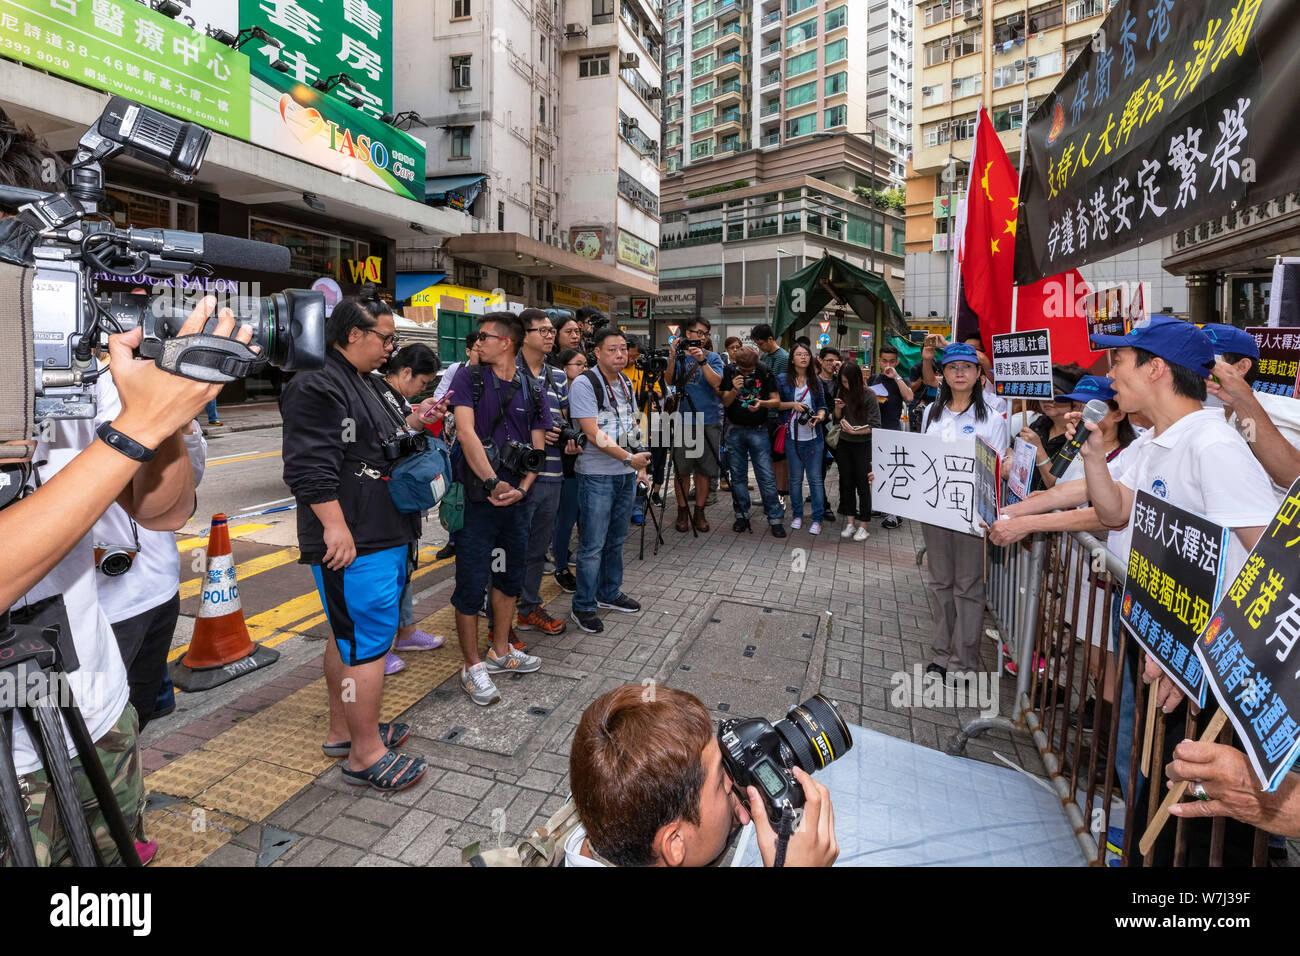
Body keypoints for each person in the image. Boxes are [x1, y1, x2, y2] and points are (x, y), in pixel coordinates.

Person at [1080, 315, 1280, 865]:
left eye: (1119, 360)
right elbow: (1114, 511)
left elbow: (1274, 563)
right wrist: (1095, 456)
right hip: (1171, 660)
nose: (1109, 372)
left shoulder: (1214, 444)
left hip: (1217, 672)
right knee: (1162, 805)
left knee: (1204, 827)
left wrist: (1198, 647)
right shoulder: (1154, 442)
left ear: (1157, 369)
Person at [280, 294, 428, 791]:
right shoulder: (318, 383)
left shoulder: (363, 380)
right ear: (352, 335)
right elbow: (308, 465)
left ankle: (345, 730)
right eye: (385, 338)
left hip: (379, 531)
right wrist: (335, 527)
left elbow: (376, 442)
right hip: (356, 539)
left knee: (348, 636)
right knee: (365, 644)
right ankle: (366, 754)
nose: (392, 347)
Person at [567, 684, 838, 867]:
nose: (733, 781)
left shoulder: (611, 801)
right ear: (675, 844)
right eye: (721, 779)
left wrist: (722, 826)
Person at [446, 312, 548, 705]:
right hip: (477, 500)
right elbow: (466, 432)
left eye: (484, 336)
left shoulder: (533, 388)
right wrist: (492, 481)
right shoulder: (468, 378)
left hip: (516, 504)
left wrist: (521, 489)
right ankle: (471, 666)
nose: (477, 342)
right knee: (470, 583)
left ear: (505, 342)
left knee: (508, 579)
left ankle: (500, 651)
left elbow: (538, 449)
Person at [920, 342, 1009, 680]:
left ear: (978, 374)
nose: (959, 373)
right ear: (942, 373)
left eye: (966, 367)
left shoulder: (992, 420)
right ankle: (941, 655)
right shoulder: (931, 412)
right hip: (934, 512)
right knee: (941, 583)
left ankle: (963, 662)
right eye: (952, 367)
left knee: (968, 587)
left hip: (972, 516)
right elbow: (919, 458)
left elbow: (995, 472)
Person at [568, 328, 649, 634]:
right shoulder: (585, 384)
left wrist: (638, 461)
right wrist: (629, 459)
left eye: (623, 349)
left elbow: (631, 423)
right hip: (597, 476)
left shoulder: (626, 382)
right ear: (597, 352)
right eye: (612, 349)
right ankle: (584, 605)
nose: (620, 354)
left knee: (616, 540)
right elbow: (592, 433)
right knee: (592, 545)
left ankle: (609, 592)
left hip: (625, 475)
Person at [374, 343, 448, 675]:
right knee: (385, 577)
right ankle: (377, 647)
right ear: (406, 373)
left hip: (402, 498)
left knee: (404, 568)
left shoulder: (395, 397)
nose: (423, 389)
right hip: (381, 501)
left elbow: (403, 430)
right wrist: (416, 421)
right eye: (422, 383)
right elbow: (383, 442)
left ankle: (404, 631)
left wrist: (419, 416)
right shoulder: (371, 395)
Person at [514, 308, 574, 636]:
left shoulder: (558, 376)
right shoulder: (506, 371)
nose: (551, 335)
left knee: (538, 548)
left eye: (552, 330)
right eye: (543, 330)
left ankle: (528, 608)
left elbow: (561, 418)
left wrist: (562, 434)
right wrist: (535, 433)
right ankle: (500, 615)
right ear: (524, 335)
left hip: (552, 474)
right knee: (510, 547)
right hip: (518, 477)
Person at [718, 346, 786, 536]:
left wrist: (761, 404)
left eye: (749, 370)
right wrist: (734, 388)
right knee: (738, 476)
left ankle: (775, 518)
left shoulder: (764, 370)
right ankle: (741, 515)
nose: (746, 372)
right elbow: (725, 401)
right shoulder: (730, 370)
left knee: (766, 476)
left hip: (759, 429)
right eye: (743, 369)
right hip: (734, 430)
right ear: (737, 363)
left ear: (756, 363)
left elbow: (776, 401)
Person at [665, 317, 724, 533]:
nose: (701, 337)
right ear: (686, 334)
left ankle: (699, 511)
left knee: (704, 471)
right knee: (682, 470)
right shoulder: (679, 357)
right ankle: (682, 511)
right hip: (683, 420)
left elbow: (717, 382)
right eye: (697, 333)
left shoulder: (714, 358)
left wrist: (702, 361)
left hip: (708, 420)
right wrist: (672, 356)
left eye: (705, 334)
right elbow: (670, 380)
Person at [432, 330, 480, 560]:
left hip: (481, 439)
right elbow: (439, 397)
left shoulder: (495, 371)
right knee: (454, 486)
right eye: (477, 349)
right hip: (454, 438)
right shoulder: (456, 370)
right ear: (469, 351)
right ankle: (453, 536)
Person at [777, 343, 829, 534]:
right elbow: (776, 405)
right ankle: (797, 515)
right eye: (799, 354)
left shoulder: (815, 380)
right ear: (792, 359)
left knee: (815, 480)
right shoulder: (782, 380)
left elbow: (823, 405)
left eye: (806, 354)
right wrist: (793, 404)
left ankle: (817, 518)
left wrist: (821, 417)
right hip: (792, 437)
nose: (803, 357)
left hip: (815, 438)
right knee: (795, 480)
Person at [552, 348, 588, 594]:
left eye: (586, 365)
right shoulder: (556, 393)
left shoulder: (588, 390)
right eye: (578, 364)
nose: (584, 369)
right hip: (563, 463)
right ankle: (561, 568)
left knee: (580, 517)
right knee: (564, 520)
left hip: (585, 462)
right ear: (564, 369)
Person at [832, 359, 880, 541]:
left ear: (857, 379)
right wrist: (837, 410)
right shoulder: (842, 392)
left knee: (863, 484)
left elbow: (876, 425)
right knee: (847, 483)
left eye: (848, 382)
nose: (846, 385)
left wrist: (855, 430)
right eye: (843, 382)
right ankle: (850, 522)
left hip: (864, 444)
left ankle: (864, 525)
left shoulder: (869, 395)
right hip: (844, 443)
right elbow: (836, 420)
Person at [870, 344, 913, 529]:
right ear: (879, 361)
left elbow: (910, 397)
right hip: (873, 431)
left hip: (892, 431)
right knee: (875, 471)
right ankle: (880, 505)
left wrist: (896, 376)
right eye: (884, 361)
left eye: (891, 361)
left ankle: (894, 514)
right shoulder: (872, 379)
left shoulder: (901, 380)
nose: (888, 364)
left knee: (893, 471)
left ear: (896, 362)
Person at [751, 323, 791, 502]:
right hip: (765, 412)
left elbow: (780, 387)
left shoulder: (783, 358)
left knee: (778, 456)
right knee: (768, 457)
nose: (760, 347)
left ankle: (779, 493)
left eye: (761, 343)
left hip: (777, 414)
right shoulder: (765, 357)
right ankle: (771, 493)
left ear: (770, 339)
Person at [817, 347, 842, 524]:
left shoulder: (841, 381)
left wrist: (841, 373)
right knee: (819, 470)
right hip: (819, 430)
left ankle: (845, 503)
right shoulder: (813, 382)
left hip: (840, 431)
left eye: (835, 361)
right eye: (828, 361)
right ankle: (823, 504)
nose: (832, 364)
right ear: (820, 360)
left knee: (845, 468)